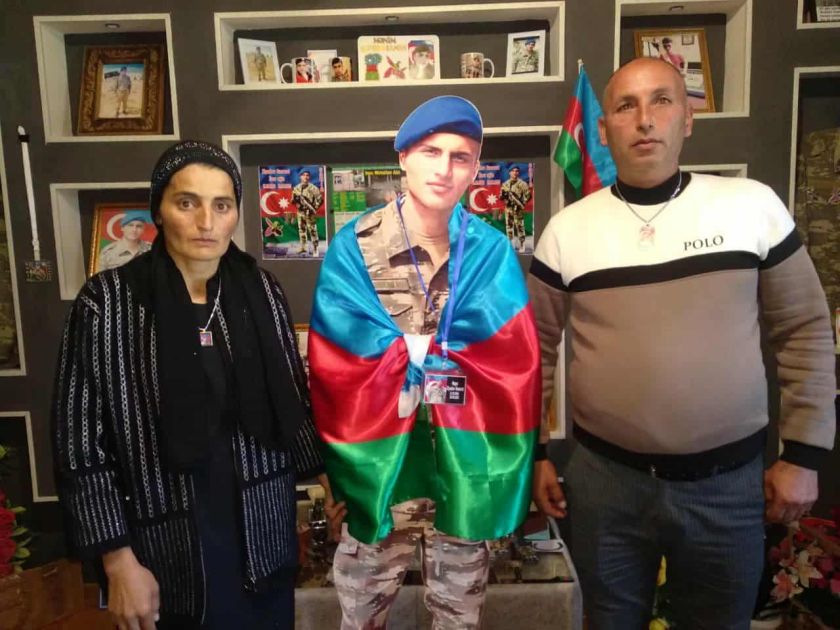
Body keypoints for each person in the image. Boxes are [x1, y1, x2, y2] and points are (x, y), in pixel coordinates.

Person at [529, 57, 836, 629]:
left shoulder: (752, 205)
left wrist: (803, 456)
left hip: (727, 485)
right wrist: (536, 454)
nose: (644, 119)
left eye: (662, 101)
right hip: (605, 484)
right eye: (626, 106)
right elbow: (535, 353)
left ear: (688, 119)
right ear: (603, 130)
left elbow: (805, 330)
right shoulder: (567, 231)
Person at [53, 140, 332, 630]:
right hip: (164, 544)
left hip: (263, 532)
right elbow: (79, 446)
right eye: (187, 203)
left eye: (221, 205)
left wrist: (333, 482)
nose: (206, 221)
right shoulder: (108, 303)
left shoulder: (260, 291)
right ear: (159, 211)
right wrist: (117, 561)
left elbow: (293, 402)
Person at [308, 96, 541, 629]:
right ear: (404, 158)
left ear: (475, 168)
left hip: (460, 472)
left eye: (460, 157)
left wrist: (426, 352)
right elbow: (336, 356)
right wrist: (421, 353)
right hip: (383, 475)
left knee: (459, 619)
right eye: (431, 152)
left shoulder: (489, 251)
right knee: (361, 616)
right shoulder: (356, 246)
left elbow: (512, 357)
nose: (444, 168)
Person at [291, 169, 322, 256]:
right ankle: (303, 247)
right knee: (301, 230)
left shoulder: (313, 188)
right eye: (303, 175)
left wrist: (313, 208)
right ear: (300, 177)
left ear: (309, 177)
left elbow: (320, 200)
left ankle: (315, 248)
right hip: (300, 212)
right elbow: (292, 200)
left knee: (313, 231)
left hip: (310, 213)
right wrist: (296, 201)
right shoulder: (296, 188)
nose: (305, 177)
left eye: (307, 175)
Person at [500, 165, 531, 251]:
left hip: (518, 208)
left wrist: (521, 202)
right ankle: (510, 245)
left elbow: (528, 195)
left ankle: (522, 245)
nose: (515, 172)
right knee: (509, 227)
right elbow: (501, 196)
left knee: (520, 227)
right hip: (509, 208)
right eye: (513, 171)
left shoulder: (523, 184)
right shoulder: (505, 184)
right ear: (509, 173)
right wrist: (505, 196)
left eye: (516, 171)